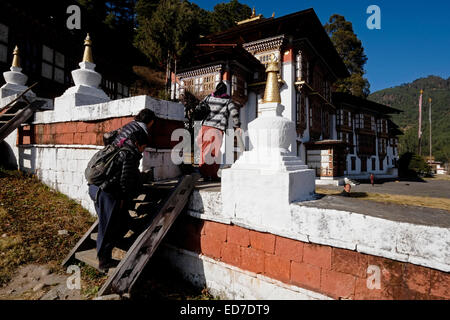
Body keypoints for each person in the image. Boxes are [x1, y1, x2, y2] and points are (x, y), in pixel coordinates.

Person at [88, 130, 149, 271]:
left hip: (95, 189)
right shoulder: (129, 154)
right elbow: (125, 181)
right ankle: (104, 261)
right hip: (107, 194)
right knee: (108, 227)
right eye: (144, 147)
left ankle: (107, 251)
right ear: (137, 144)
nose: (144, 150)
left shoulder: (119, 149)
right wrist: (122, 199)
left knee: (117, 224)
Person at [196, 82, 242, 180]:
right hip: (217, 129)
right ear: (225, 91)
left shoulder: (208, 98)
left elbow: (199, 107)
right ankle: (212, 175)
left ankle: (204, 174)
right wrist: (237, 125)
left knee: (204, 151)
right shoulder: (227, 101)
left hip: (205, 127)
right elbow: (234, 113)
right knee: (215, 152)